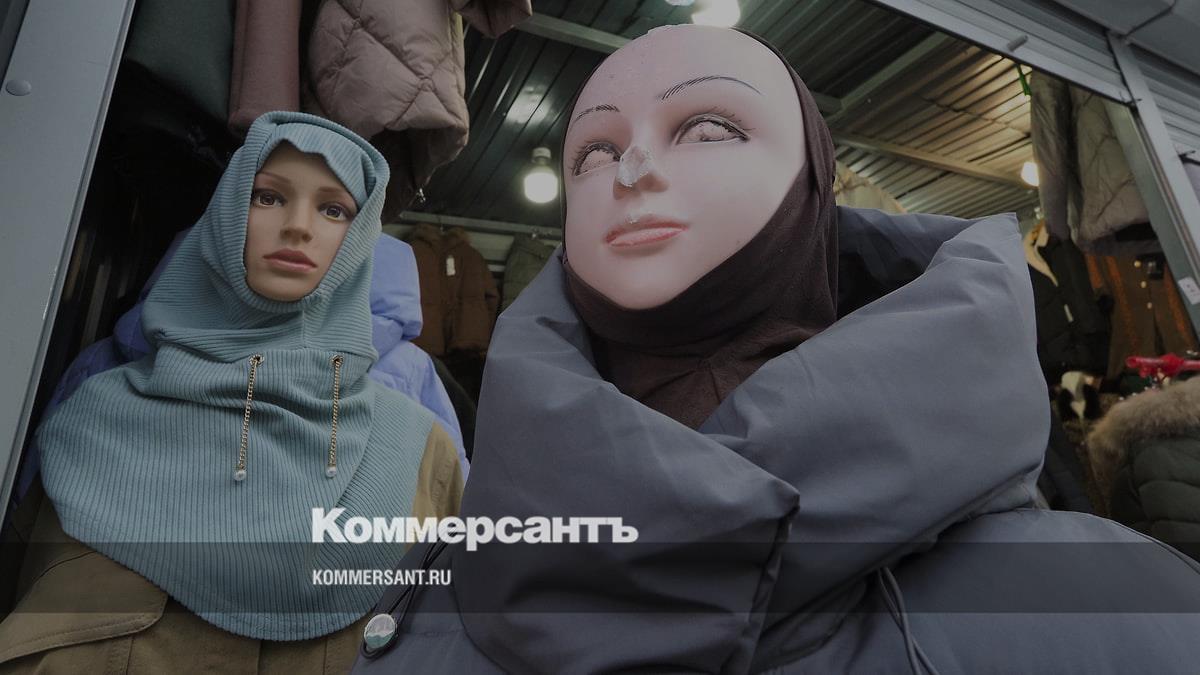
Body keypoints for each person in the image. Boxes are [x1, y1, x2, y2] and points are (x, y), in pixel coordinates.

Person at [353, 25, 1200, 674]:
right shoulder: (434, 593)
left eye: (708, 128)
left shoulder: (1114, 606)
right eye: (593, 153)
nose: (632, 167)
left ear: (812, 185)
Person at [0, 111, 463, 674]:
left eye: (334, 209)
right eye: (267, 197)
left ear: (360, 237)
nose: (297, 227)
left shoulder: (422, 453)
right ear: (224, 214)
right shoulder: (93, 417)